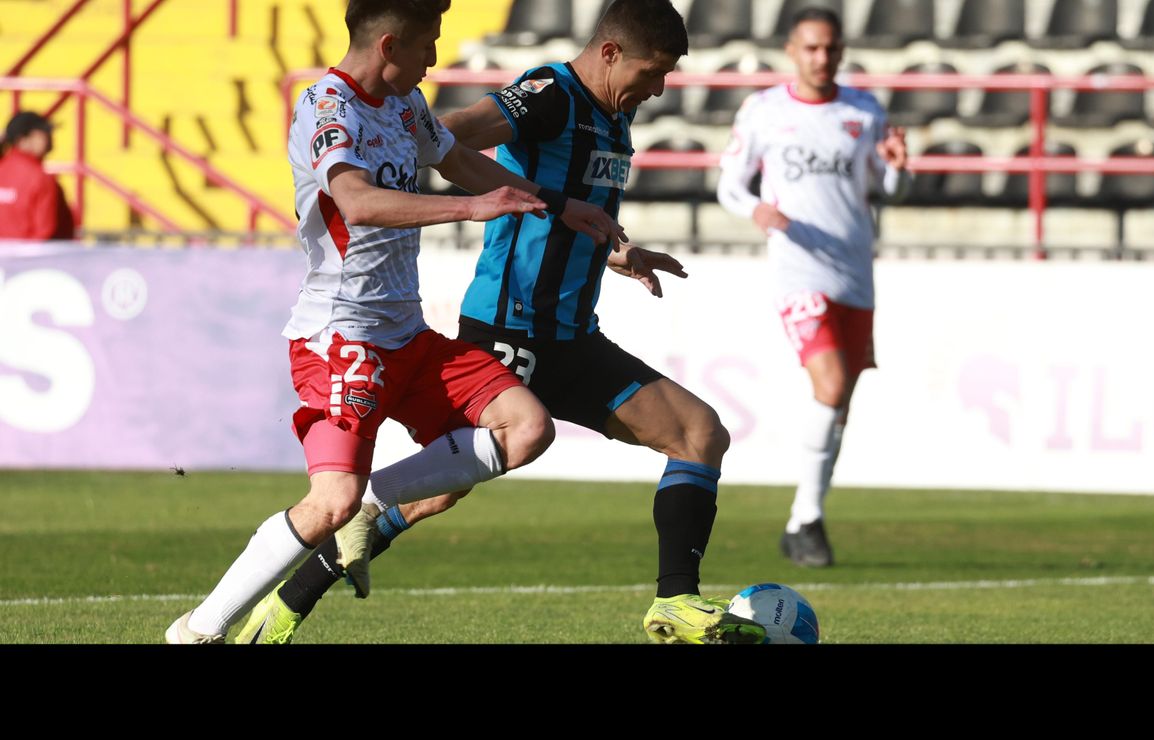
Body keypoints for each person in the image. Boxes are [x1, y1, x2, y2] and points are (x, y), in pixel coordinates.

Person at [235, 0, 765, 645]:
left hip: (571, 335)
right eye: (653, 72)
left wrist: (617, 250)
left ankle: (676, 604)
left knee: (699, 434)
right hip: (509, 330)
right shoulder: (547, 96)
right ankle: (290, 596)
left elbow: (571, 204)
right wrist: (442, 181)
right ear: (610, 52)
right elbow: (447, 138)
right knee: (432, 490)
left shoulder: (612, 114)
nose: (659, 89)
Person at [165, 0, 625, 644]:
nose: (435, 59)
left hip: (407, 335)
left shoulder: (405, 106)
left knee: (525, 429)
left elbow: (461, 162)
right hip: (341, 339)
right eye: (427, 44)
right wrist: (467, 212)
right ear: (388, 45)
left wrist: (557, 204)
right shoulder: (327, 107)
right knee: (330, 503)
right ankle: (198, 632)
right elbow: (355, 200)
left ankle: (372, 505)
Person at [717, 7, 909, 567]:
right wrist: (757, 209)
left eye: (830, 49)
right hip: (798, 268)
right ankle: (807, 520)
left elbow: (886, 187)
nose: (821, 58)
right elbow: (730, 183)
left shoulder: (863, 110)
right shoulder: (764, 110)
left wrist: (900, 169)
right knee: (829, 382)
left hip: (854, 271)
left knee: (840, 399)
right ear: (792, 51)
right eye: (811, 48)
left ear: (842, 52)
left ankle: (806, 520)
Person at [0, 111, 74, 241]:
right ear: (22, 139)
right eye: (44, 133)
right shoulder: (40, 178)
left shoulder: (4, 168)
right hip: (31, 259)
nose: (51, 137)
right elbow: (44, 232)